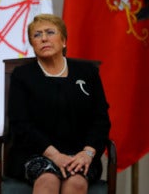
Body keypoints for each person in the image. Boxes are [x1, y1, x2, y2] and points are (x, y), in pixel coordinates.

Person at [6, 14, 111, 194]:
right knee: (48, 180)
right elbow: (20, 124)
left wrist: (87, 153)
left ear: (63, 41)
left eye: (50, 32)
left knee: (76, 182)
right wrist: (55, 155)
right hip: (36, 153)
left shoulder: (87, 73)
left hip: (81, 154)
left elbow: (100, 120)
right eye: (37, 35)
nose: (44, 38)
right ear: (32, 44)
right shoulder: (22, 76)